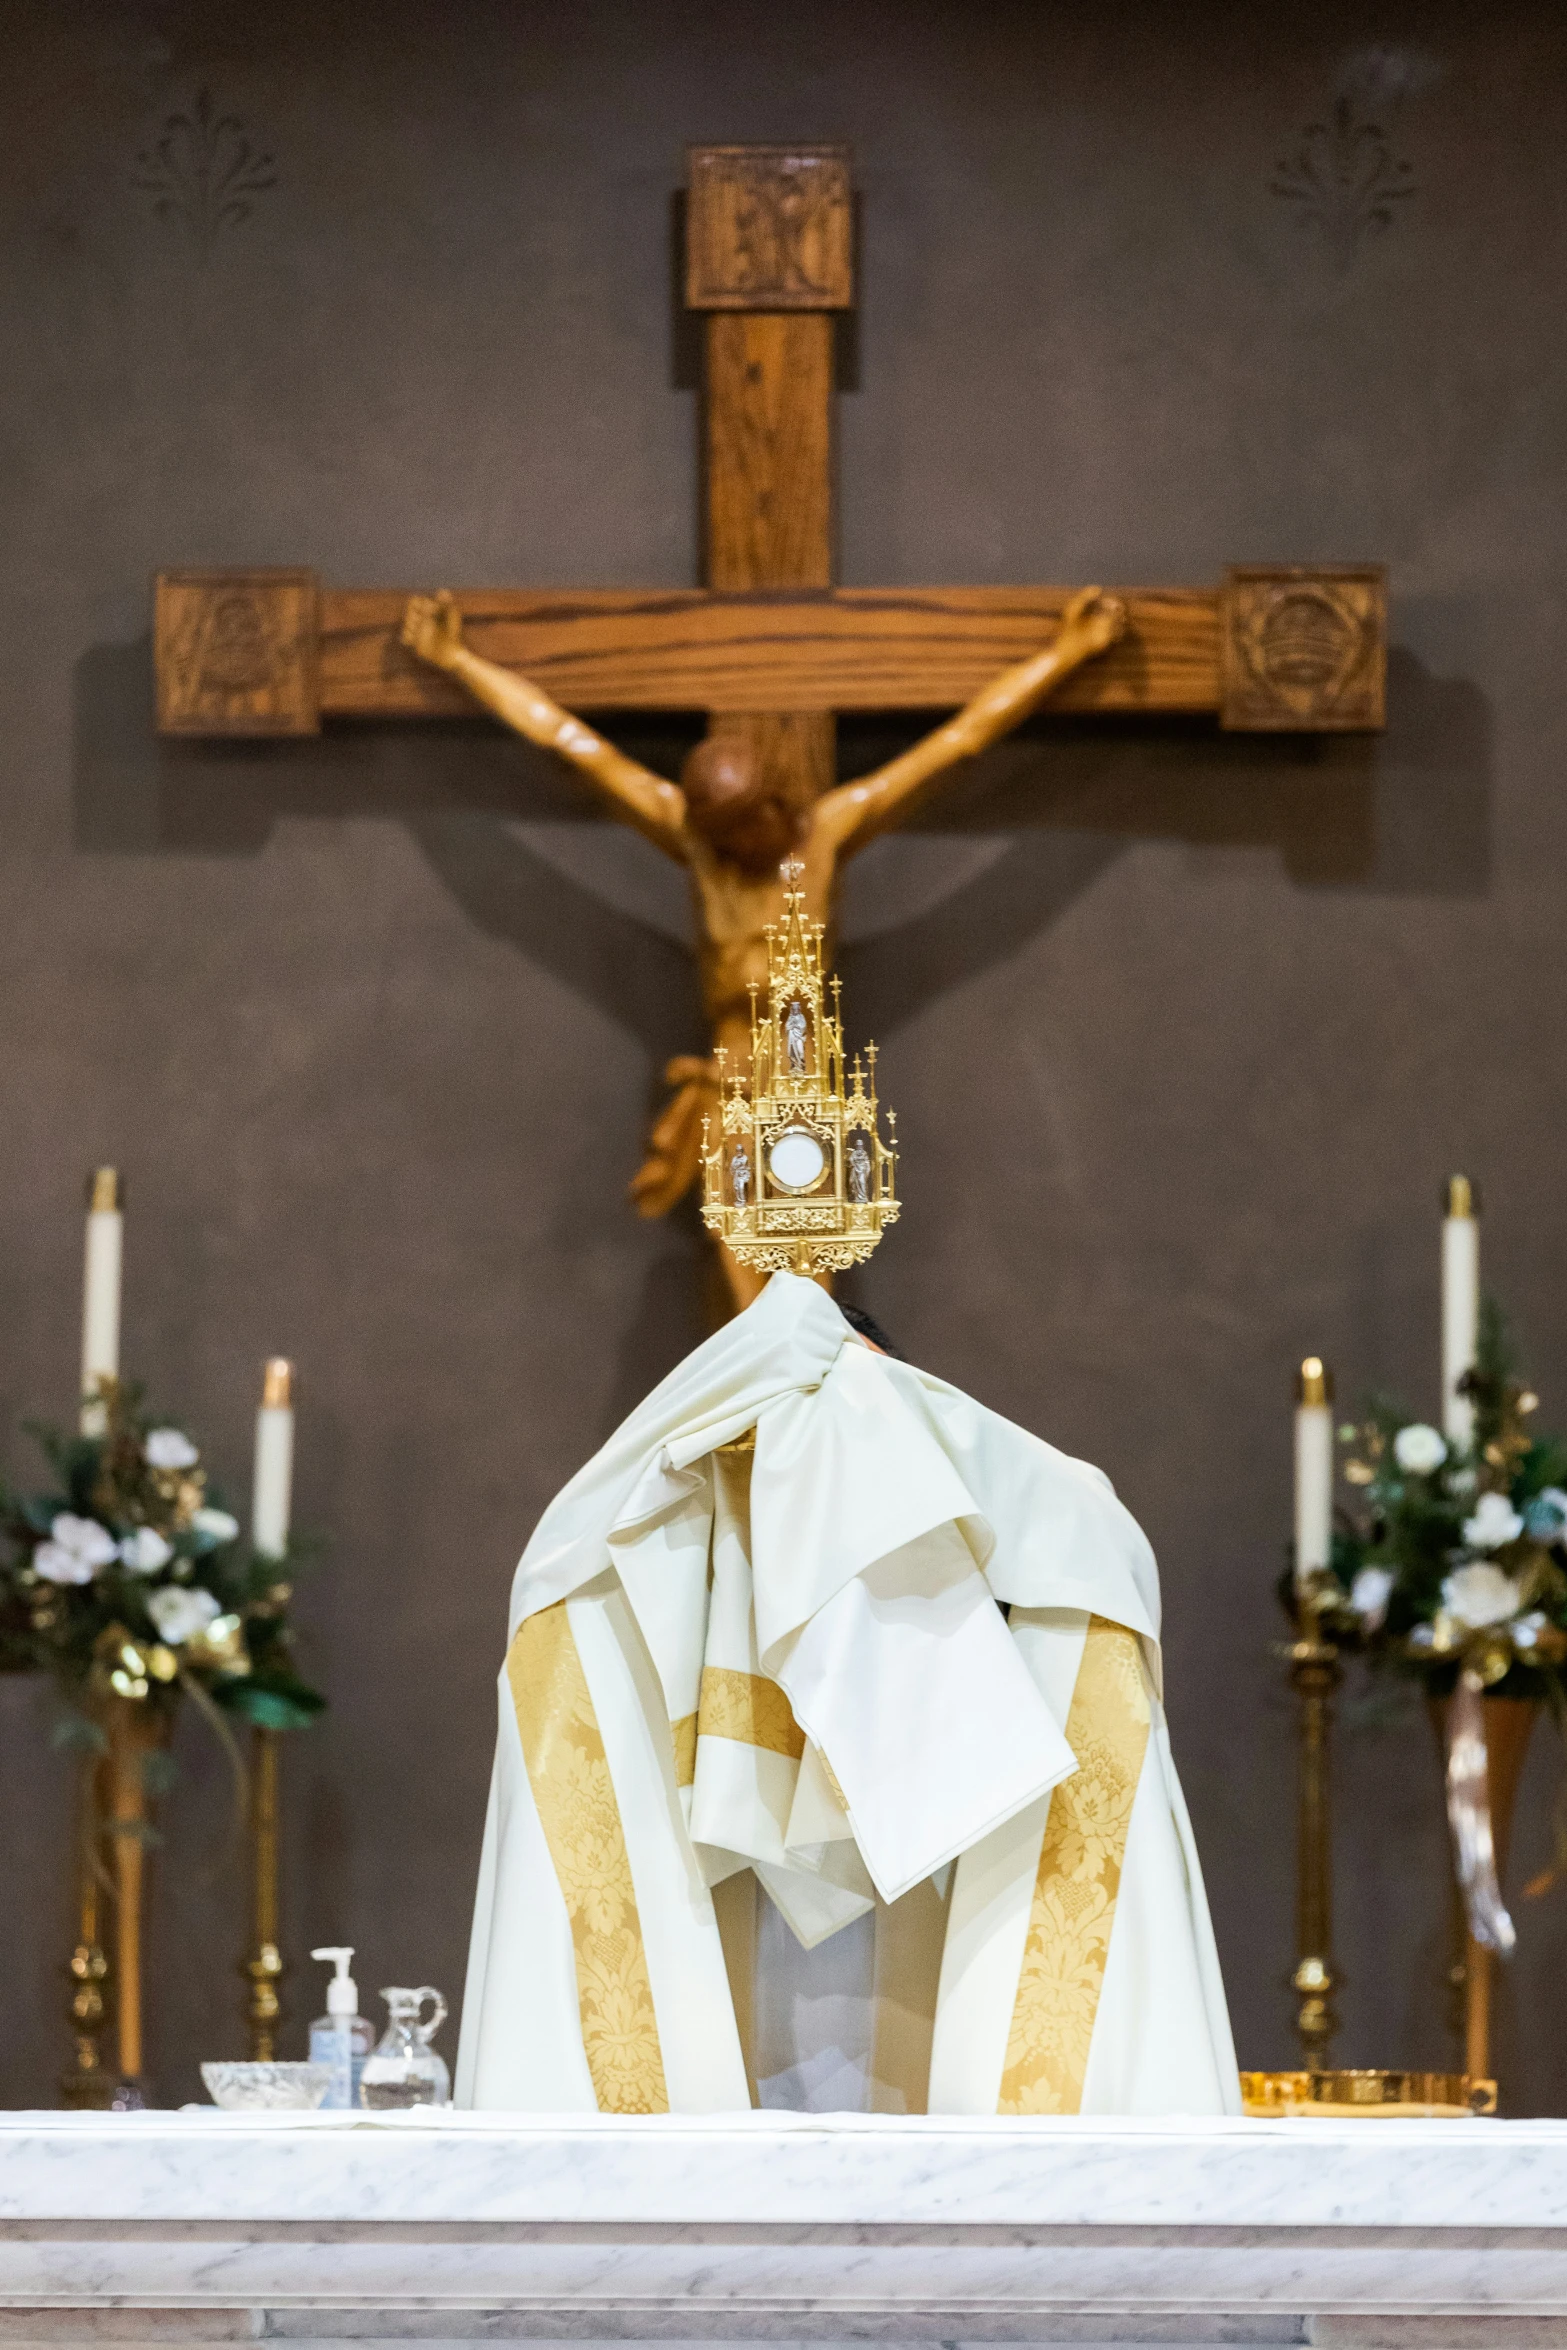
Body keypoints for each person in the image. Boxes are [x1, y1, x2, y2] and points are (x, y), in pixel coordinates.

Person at [401, 587, 1126, 1302]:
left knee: (804, 1304)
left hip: (801, 1085)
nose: (735, 847)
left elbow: (960, 743)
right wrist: (457, 662)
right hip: (727, 1087)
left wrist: (1068, 653)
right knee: (747, 1306)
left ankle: (800, 1417)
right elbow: (570, 745)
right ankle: (758, 1421)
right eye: (720, 835)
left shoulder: (829, 834)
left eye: (743, 826)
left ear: (772, 803)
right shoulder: (697, 842)